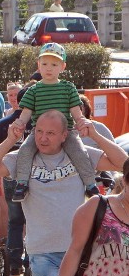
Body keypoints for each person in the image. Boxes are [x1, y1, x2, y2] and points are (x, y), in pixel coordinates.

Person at [0, 109, 127, 276]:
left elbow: (123, 163)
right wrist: (9, 141)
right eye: (39, 131)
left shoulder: (81, 156)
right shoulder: (23, 159)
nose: (43, 138)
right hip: (42, 252)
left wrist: (95, 135)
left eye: (50, 133)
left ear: (65, 135)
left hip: (78, 249)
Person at [9, 43, 98, 202]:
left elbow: (76, 112)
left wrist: (81, 122)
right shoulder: (33, 90)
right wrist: (19, 124)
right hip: (40, 132)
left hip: (66, 131)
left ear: (62, 67)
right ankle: (22, 183)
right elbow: (25, 114)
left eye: (54, 64)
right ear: (38, 65)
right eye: (44, 64)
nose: (48, 68)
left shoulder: (68, 88)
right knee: (25, 151)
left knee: (79, 151)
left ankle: (90, 184)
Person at [0, 86, 32, 276]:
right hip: (33, 175)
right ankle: (29, 261)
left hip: (10, 175)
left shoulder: (3, 123)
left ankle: (14, 263)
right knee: (32, 220)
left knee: (15, 221)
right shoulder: (40, 123)